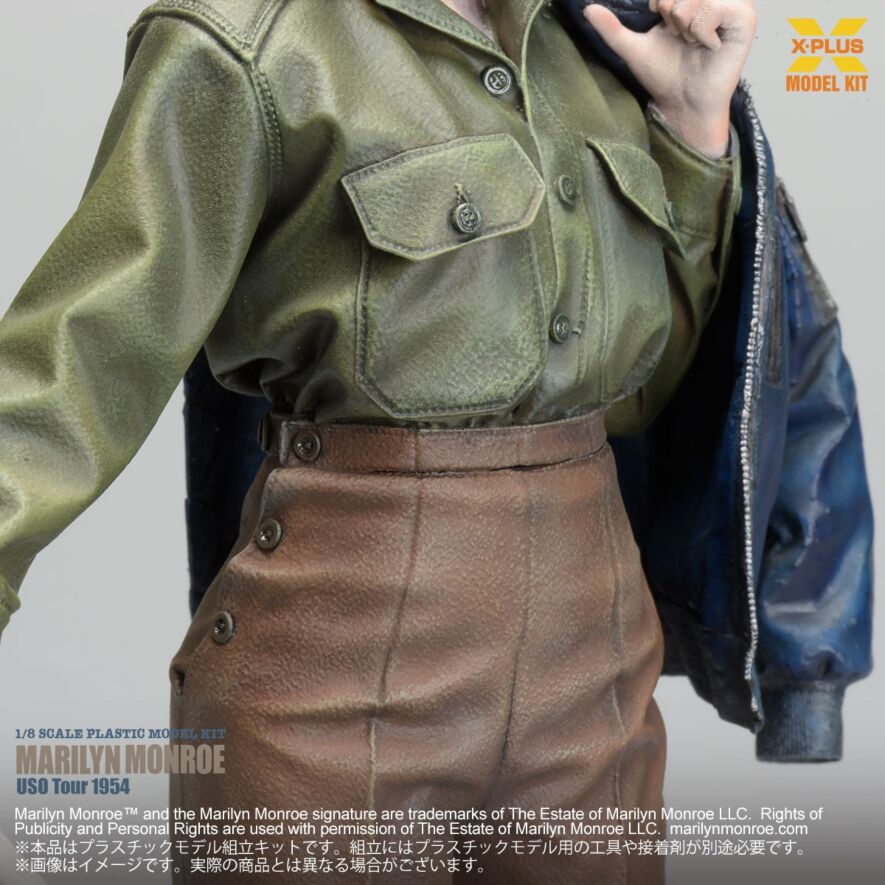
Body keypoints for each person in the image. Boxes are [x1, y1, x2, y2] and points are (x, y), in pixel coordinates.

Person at [0, 0, 766, 882]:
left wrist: (692, 126)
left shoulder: (590, 44)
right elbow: (79, 359)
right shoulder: (247, 41)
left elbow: (635, 393)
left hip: (593, 682)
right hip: (334, 686)